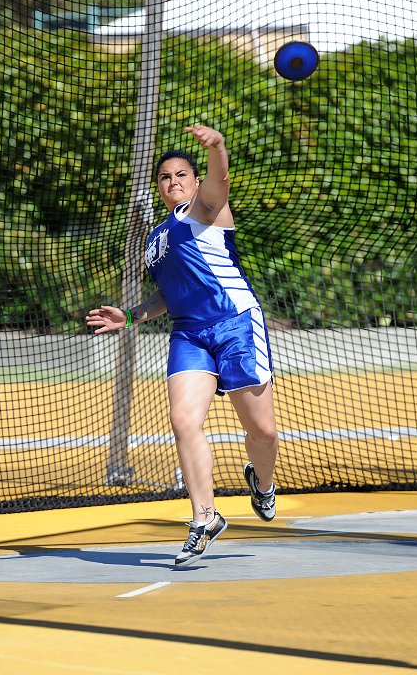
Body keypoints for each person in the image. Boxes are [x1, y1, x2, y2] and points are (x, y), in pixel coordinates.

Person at [86, 125, 278, 567]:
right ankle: (204, 517)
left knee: (263, 432)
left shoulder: (207, 210)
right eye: (165, 177)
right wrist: (131, 315)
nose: (173, 182)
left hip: (236, 326)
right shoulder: (156, 240)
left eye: (181, 175)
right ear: (159, 187)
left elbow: (221, 182)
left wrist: (218, 148)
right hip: (189, 334)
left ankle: (263, 483)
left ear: (194, 181)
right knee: (182, 419)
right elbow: (169, 295)